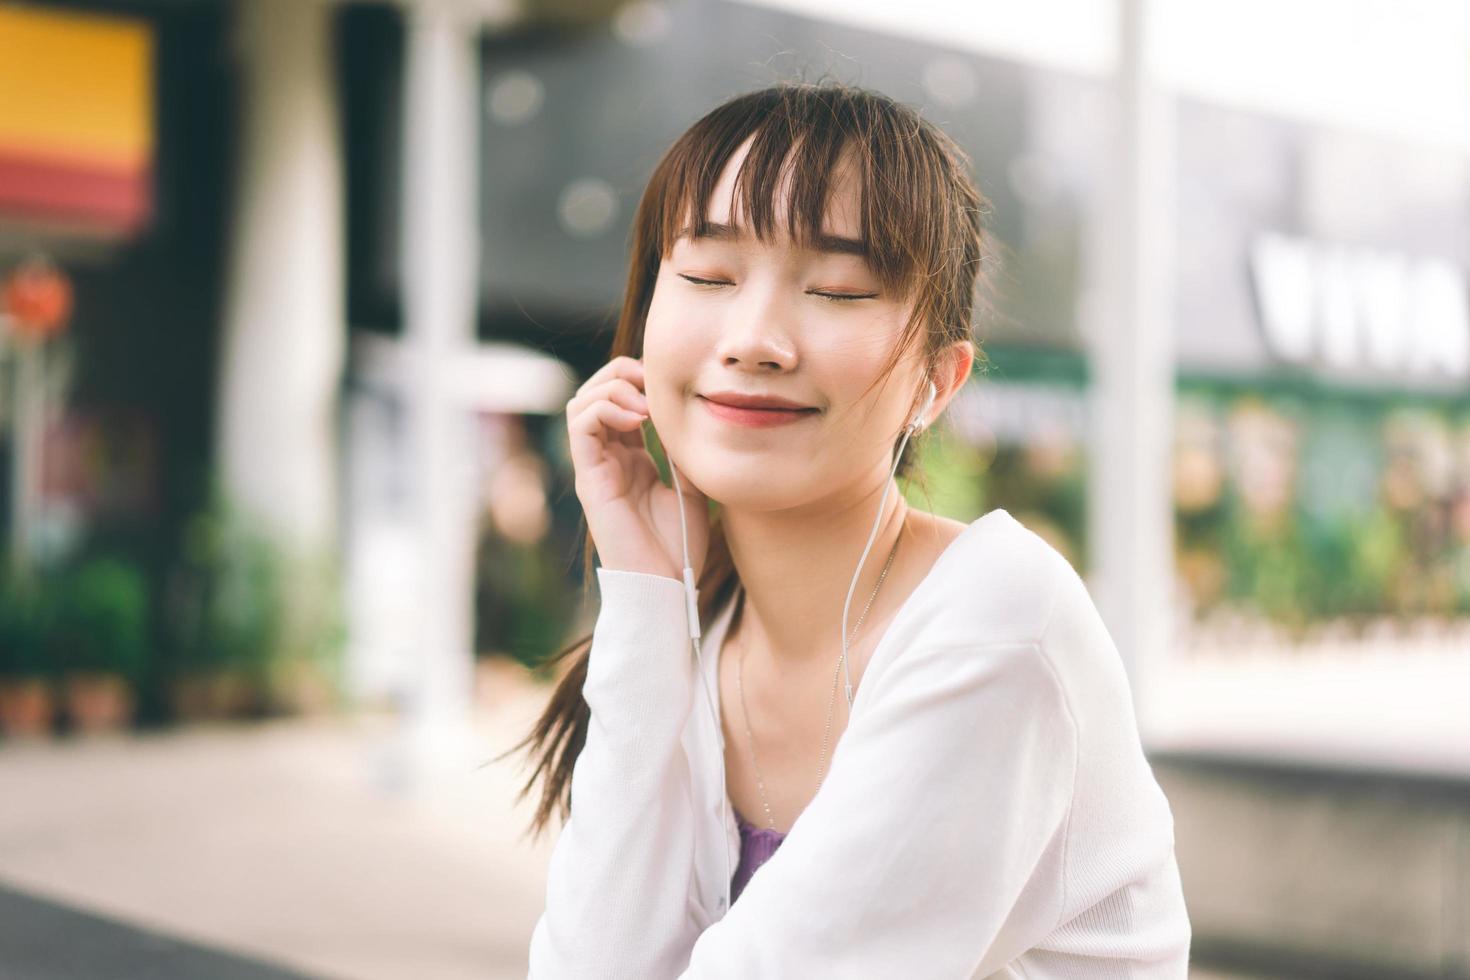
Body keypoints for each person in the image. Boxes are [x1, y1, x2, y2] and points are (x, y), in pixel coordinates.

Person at [503, 81, 1192, 978]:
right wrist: (644, 592)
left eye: (837, 289)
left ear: (935, 384)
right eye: (708, 276)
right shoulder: (702, 632)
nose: (754, 338)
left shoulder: (995, 621)